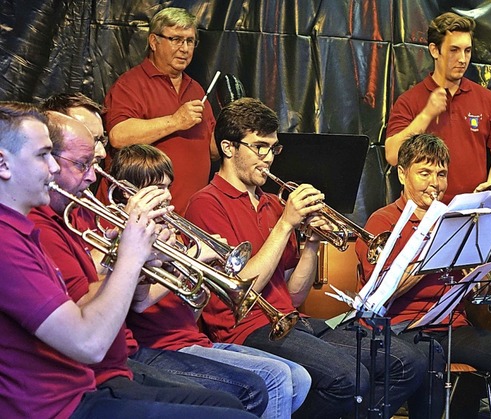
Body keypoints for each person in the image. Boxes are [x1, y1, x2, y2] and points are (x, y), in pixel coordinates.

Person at [0, 102, 257, 418]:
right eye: (43, 155)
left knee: (231, 406)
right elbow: (90, 344)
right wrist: (129, 257)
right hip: (61, 406)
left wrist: (130, 260)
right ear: (3, 164)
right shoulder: (7, 241)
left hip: (81, 388)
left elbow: (81, 308)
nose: (52, 167)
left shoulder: (19, 230)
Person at [185, 97, 430, 418]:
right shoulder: (206, 203)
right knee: (349, 377)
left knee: (408, 361)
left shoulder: (272, 203)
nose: (268, 159)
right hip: (245, 330)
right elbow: (241, 286)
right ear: (229, 148)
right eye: (259, 147)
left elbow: (295, 293)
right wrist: (287, 223)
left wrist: (312, 241)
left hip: (291, 321)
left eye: (273, 149)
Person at [111, 143, 312, 419]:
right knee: (274, 377)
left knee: (300, 377)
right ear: (127, 191)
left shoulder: (172, 230)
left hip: (193, 339)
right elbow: (139, 303)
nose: (167, 196)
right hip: (157, 348)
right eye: (156, 188)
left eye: (168, 186)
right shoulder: (128, 236)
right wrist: (193, 258)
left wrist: (201, 278)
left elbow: (191, 313)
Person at [356, 133, 491, 418]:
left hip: (451, 325)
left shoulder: (455, 218)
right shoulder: (383, 222)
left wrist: (479, 276)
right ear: (402, 174)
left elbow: (476, 292)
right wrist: (432, 252)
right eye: (424, 173)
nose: (434, 183)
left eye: (441, 174)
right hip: (402, 328)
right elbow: (381, 293)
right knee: (431, 359)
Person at [385, 12, 491, 203]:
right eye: (454, 50)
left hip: (472, 210)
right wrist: (426, 114)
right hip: (425, 213)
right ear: (435, 50)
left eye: (467, 51)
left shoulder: (487, 99)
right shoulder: (409, 101)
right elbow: (393, 156)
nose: (462, 59)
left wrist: (490, 186)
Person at [104, 7, 217, 215]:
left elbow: (212, 149)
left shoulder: (196, 89)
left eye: (190, 41)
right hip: (146, 217)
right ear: (154, 42)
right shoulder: (131, 84)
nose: (184, 48)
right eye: (176, 39)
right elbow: (118, 137)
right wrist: (175, 121)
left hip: (191, 217)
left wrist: (236, 132)